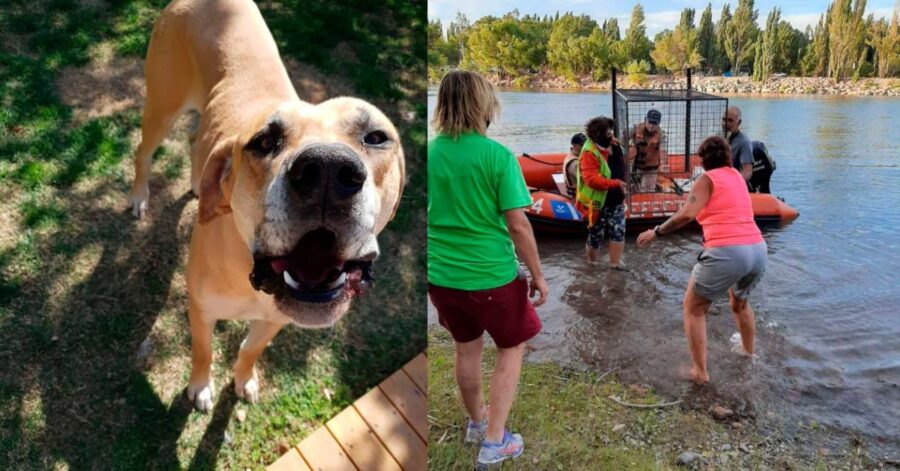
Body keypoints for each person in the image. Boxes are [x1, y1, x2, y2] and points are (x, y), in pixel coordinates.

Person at [427, 70, 549, 468]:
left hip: (442, 277)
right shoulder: (497, 157)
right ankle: (495, 442)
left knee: (466, 348)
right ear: (484, 106)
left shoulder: (427, 153)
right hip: (490, 277)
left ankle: (478, 422)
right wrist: (538, 274)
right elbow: (517, 224)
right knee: (511, 348)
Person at [636, 136, 766, 384]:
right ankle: (749, 353)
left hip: (728, 250)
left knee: (693, 308)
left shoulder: (706, 179)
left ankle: (699, 372)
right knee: (740, 303)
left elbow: (687, 214)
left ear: (702, 160)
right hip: (758, 249)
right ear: (729, 157)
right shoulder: (737, 176)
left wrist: (657, 231)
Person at [575, 116, 628, 268]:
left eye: (611, 132)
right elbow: (591, 180)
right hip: (596, 204)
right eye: (608, 134)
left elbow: (621, 166)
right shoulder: (588, 153)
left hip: (616, 200)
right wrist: (616, 183)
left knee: (618, 232)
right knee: (595, 236)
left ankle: (615, 265)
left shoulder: (614, 144)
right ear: (599, 136)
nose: (611, 135)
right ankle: (592, 265)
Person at [628, 109, 667, 193]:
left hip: (651, 167)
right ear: (645, 119)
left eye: (654, 123)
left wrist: (664, 164)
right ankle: (657, 186)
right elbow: (623, 140)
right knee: (633, 189)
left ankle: (654, 187)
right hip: (635, 165)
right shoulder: (635, 129)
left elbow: (663, 150)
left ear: (659, 124)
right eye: (650, 122)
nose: (651, 126)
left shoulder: (661, 135)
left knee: (647, 191)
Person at [722, 106, 753, 181]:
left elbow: (747, 171)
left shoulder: (744, 143)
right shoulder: (719, 138)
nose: (726, 123)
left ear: (739, 122)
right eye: (724, 120)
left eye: (730, 120)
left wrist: (735, 183)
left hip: (732, 182)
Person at [562, 132, 587, 198]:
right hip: (579, 196)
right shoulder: (575, 163)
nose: (585, 147)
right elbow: (586, 182)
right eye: (582, 144)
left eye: (586, 144)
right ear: (574, 145)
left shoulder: (571, 156)